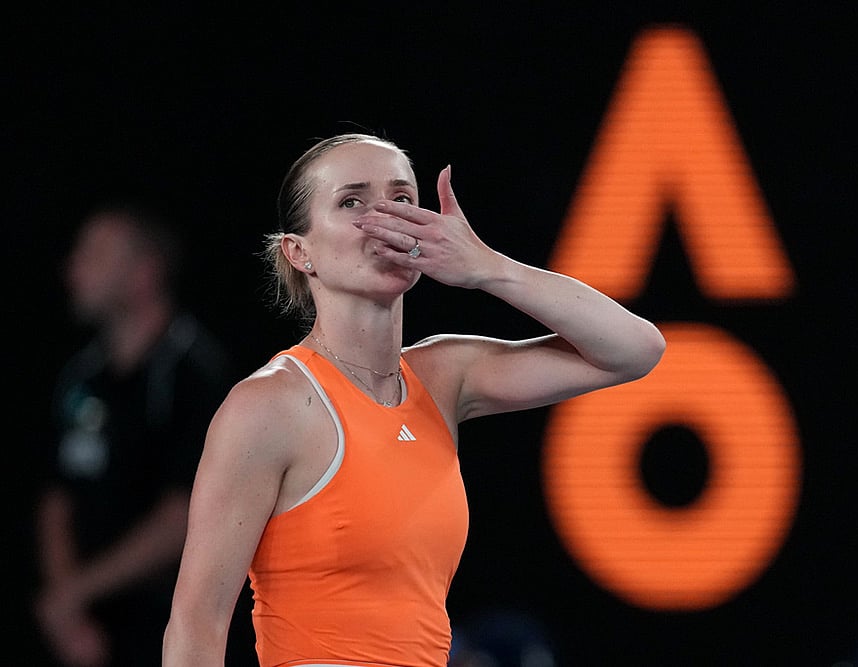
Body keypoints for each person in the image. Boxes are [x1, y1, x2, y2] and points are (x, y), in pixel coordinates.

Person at [162, 133, 665, 667]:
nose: (386, 218)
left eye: (401, 199)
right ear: (299, 252)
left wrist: (488, 267)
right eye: (352, 201)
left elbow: (635, 349)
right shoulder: (270, 404)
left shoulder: (445, 375)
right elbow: (198, 621)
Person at [34, 201, 237, 666]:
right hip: (88, 632)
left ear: (143, 273)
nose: (73, 267)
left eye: (95, 254)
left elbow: (187, 512)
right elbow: (57, 500)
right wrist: (68, 609)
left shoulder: (197, 373)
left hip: (174, 625)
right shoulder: (80, 377)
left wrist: (75, 592)